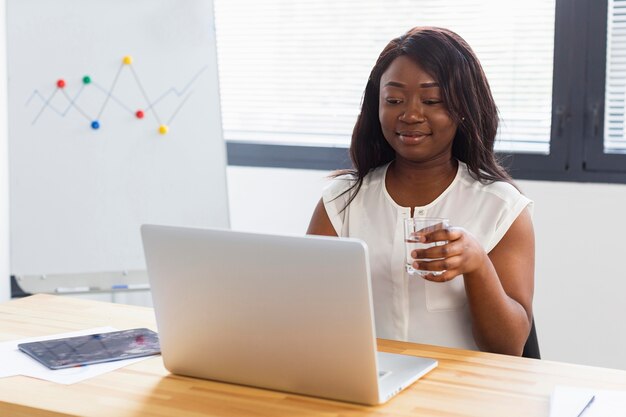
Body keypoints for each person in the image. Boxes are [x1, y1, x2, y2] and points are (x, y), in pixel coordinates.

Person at [307, 26, 535, 356]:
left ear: (463, 108)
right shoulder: (341, 202)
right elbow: (305, 313)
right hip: (371, 387)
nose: (411, 115)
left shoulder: (502, 208)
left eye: (432, 100)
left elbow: (509, 347)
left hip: (461, 396)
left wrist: (477, 264)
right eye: (394, 100)